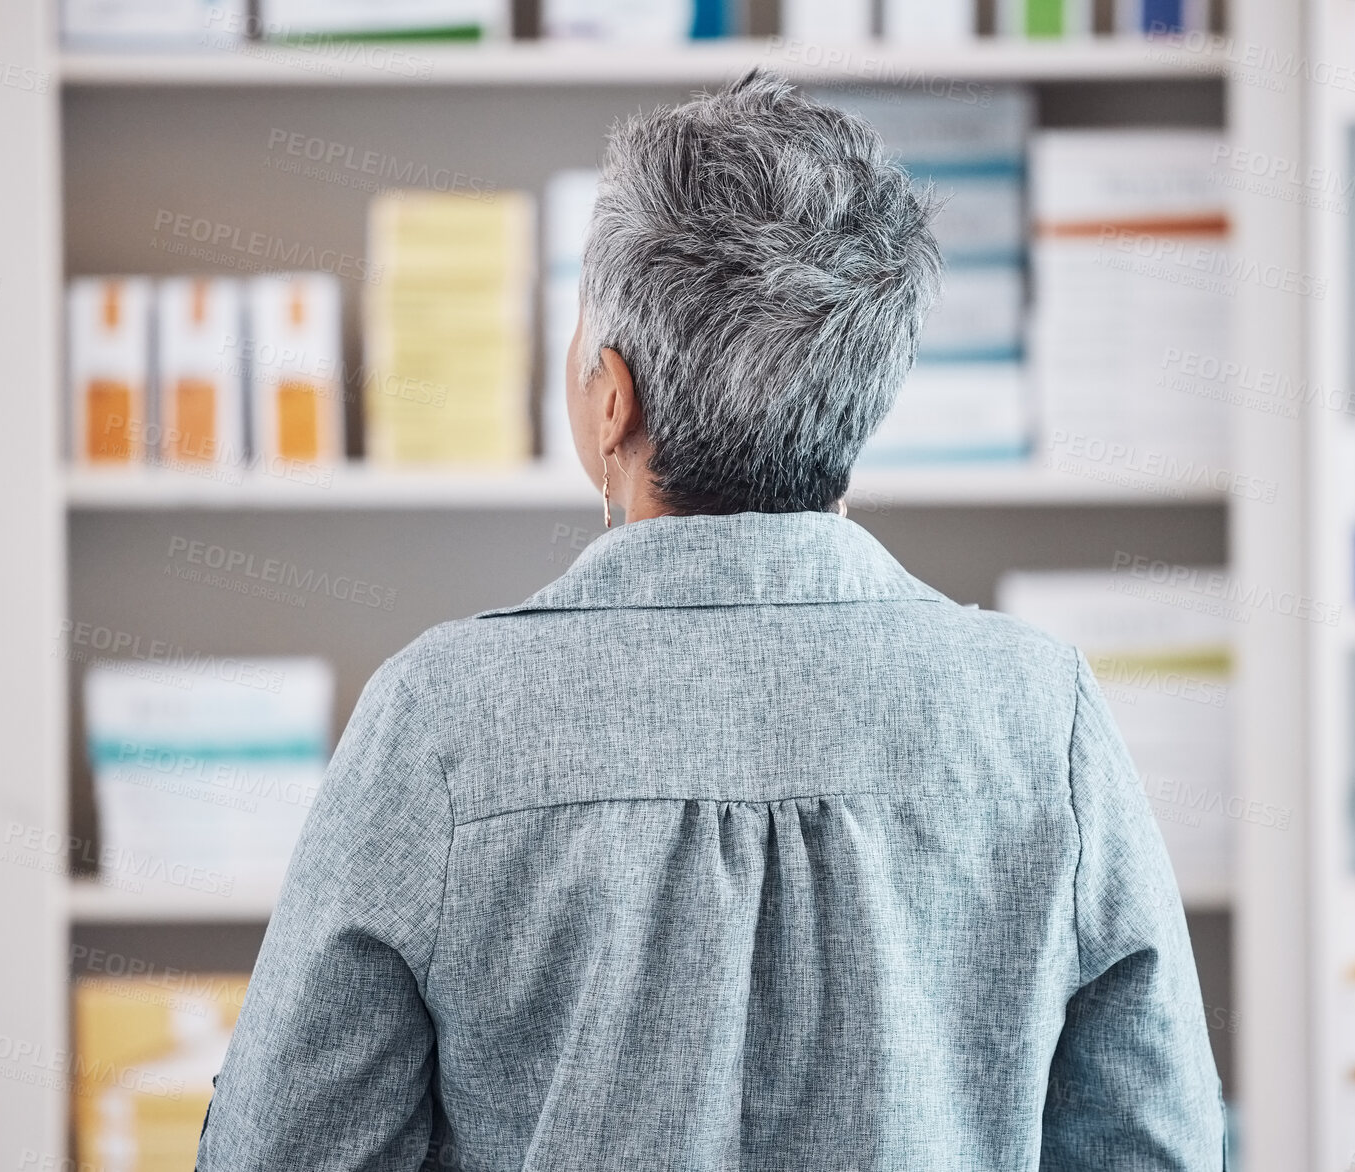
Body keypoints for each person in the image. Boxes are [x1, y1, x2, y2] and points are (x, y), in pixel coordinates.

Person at [195, 70, 1225, 1171]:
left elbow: (282, 1150)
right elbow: (1154, 1141)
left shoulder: (439, 722)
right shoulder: (1038, 717)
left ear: (612, 398)